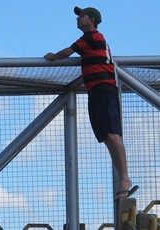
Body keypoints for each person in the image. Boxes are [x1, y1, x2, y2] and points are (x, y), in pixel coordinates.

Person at [44, 6, 138, 200]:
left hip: (104, 91)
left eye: (82, 16)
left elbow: (66, 53)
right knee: (106, 136)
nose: (78, 19)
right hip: (95, 92)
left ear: (92, 20)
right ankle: (123, 177)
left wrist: (52, 56)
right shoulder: (90, 40)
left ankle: (124, 178)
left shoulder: (91, 37)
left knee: (112, 134)